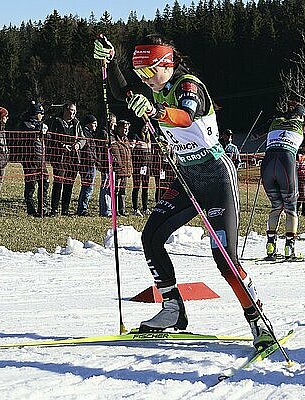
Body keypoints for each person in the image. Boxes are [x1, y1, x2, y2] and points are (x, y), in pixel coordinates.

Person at [94, 34, 275, 348]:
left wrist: (156, 113)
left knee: (225, 259)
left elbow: (185, 116)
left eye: (150, 72)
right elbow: (125, 94)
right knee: (150, 237)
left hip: (216, 178)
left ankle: (257, 318)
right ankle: (173, 308)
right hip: (186, 177)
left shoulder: (187, 85)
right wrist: (110, 62)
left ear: (167, 64)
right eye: (141, 74)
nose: (145, 79)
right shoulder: (159, 89)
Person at [260, 101, 305, 259]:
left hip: (267, 164)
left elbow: (255, 134)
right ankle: (289, 248)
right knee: (291, 208)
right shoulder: (303, 125)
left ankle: (270, 246)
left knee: (276, 206)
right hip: (286, 163)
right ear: (302, 116)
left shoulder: (275, 121)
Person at [47, 102, 82, 216]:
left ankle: (65, 210)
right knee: (58, 183)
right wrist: (62, 146)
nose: (74, 113)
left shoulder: (77, 124)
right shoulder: (56, 122)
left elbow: (83, 138)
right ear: (66, 110)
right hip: (60, 158)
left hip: (73, 158)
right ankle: (54, 210)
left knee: (69, 184)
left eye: (75, 111)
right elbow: (51, 138)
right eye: (72, 110)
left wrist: (78, 144)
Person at [19, 101, 49, 217]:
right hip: (29, 159)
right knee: (30, 184)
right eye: (40, 113)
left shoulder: (42, 124)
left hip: (41, 159)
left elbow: (48, 137)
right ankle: (31, 209)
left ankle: (43, 208)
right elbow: (27, 133)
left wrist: (44, 131)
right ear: (35, 113)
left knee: (44, 182)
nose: (42, 115)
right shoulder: (26, 124)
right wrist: (38, 129)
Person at [76, 114, 99, 216]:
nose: (96, 126)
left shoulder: (90, 134)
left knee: (88, 186)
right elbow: (87, 149)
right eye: (94, 123)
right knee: (87, 187)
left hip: (91, 162)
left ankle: (82, 207)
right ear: (89, 124)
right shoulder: (85, 134)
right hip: (87, 163)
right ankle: (82, 208)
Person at [96, 112, 117, 217]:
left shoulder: (112, 134)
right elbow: (101, 149)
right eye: (114, 122)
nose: (115, 125)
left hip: (112, 164)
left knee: (110, 187)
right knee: (105, 186)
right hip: (105, 163)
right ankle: (105, 210)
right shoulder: (104, 133)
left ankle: (109, 208)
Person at [111, 120, 133, 216]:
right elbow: (116, 155)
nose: (126, 130)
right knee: (116, 190)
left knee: (123, 191)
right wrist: (119, 167)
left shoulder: (126, 140)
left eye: (127, 129)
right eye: (124, 128)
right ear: (119, 128)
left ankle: (122, 210)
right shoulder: (115, 140)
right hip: (118, 170)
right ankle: (114, 210)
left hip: (126, 169)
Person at [131, 124, 152, 216]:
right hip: (137, 166)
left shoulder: (149, 139)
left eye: (147, 127)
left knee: (145, 187)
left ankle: (145, 208)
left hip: (146, 167)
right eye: (144, 126)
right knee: (136, 187)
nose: (145, 128)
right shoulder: (136, 136)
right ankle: (135, 208)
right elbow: (132, 150)